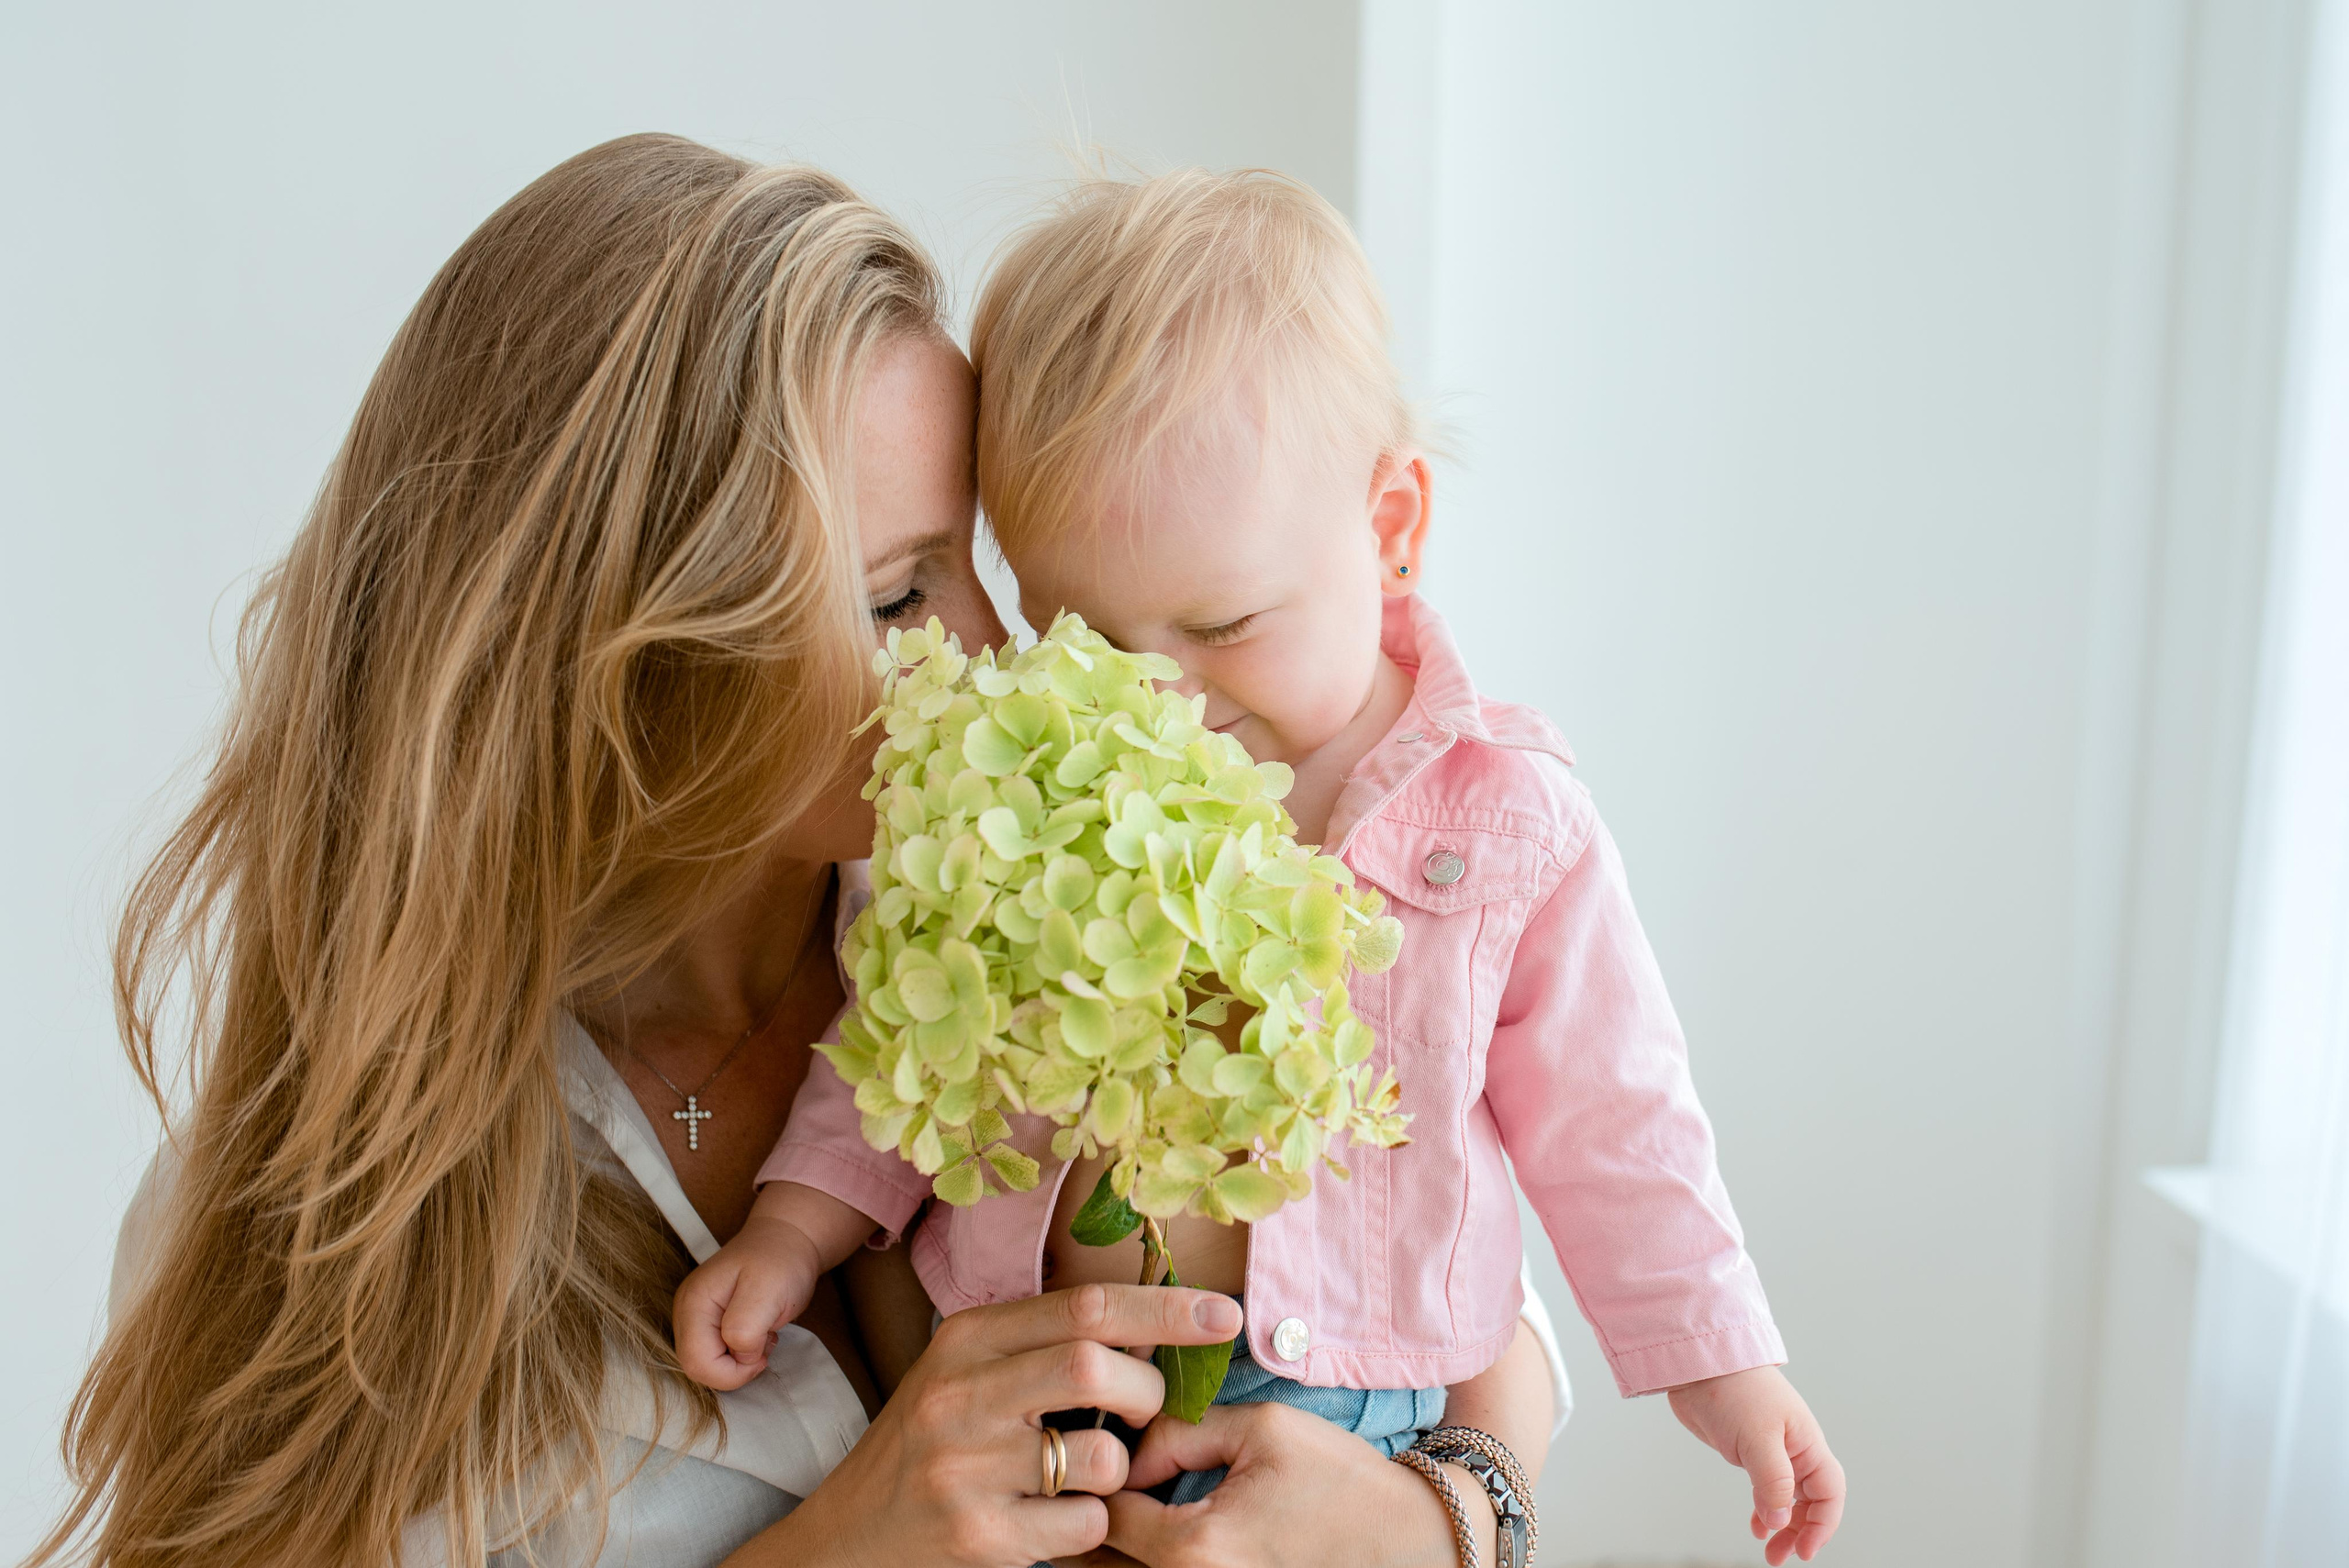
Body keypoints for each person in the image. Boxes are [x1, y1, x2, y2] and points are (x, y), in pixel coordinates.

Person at [34, 135, 1560, 1568]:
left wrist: (1456, 1511)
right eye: (896, 596)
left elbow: (1441, 1226)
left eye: (980, 564)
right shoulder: (304, 1217)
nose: (995, 653)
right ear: (633, 664)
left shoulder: (1055, 904)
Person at [682, 168, 1848, 1567]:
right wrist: (793, 1228)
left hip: (1353, 1419)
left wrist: (1721, 1362)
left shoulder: (1503, 823)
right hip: (1038, 1399)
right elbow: (910, 1043)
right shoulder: (1044, 796)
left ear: (1392, 528)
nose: (1163, 699)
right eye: (1088, 640)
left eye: (1224, 624)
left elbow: (1618, 1115)